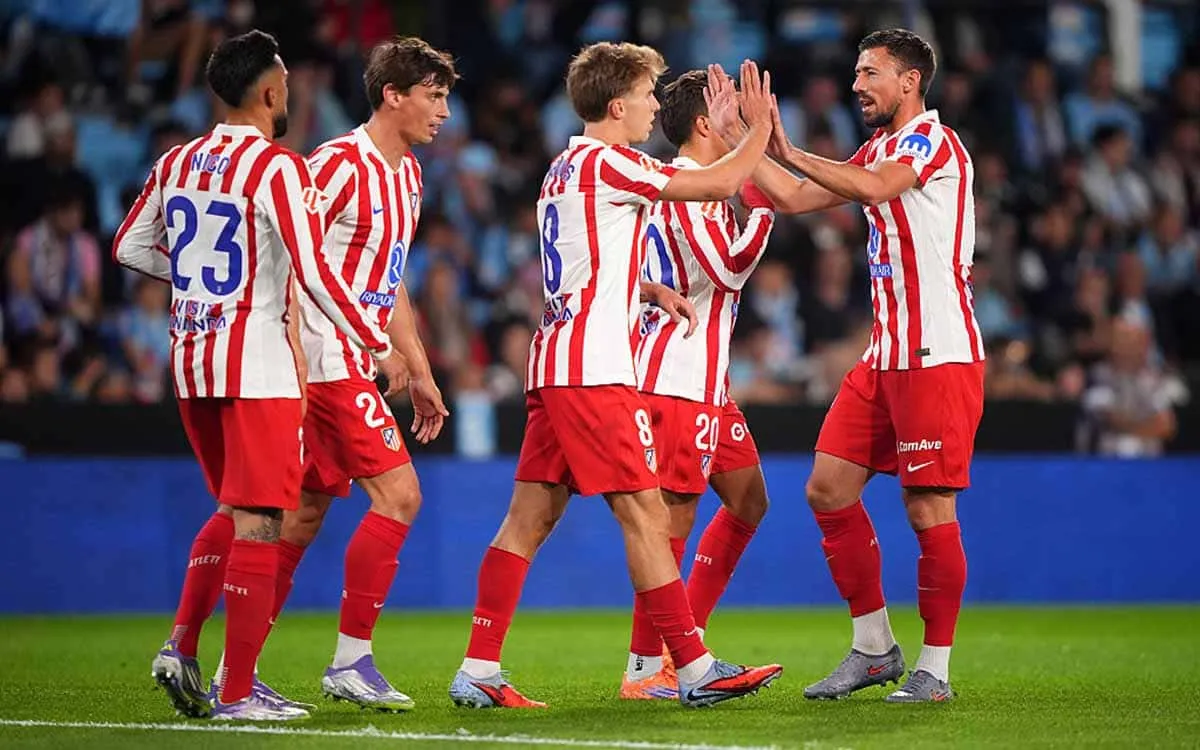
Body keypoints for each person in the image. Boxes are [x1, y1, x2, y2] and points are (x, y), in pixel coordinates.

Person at [447, 44, 783, 710]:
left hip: (555, 360)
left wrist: (649, 289)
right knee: (647, 514)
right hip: (596, 371)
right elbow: (715, 184)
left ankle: (478, 668)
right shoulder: (611, 160)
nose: (655, 107)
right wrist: (761, 132)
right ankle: (688, 668)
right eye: (647, 93)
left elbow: (587, 258)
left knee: (527, 521)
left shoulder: (564, 168)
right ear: (616, 104)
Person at [112, 29, 406, 721]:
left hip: (192, 361)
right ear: (272, 92)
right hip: (258, 364)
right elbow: (314, 271)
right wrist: (375, 342)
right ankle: (238, 691)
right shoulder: (278, 168)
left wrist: (201, 282)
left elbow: (130, 245)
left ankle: (181, 645)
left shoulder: (177, 159)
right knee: (262, 522)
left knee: (234, 509)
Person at [707, 28, 984, 703]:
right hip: (885, 354)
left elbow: (872, 187)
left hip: (935, 353)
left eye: (870, 73)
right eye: (856, 72)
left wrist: (786, 146)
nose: (857, 84)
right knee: (827, 488)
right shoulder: (879, 145)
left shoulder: (930, 143)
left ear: (910, 80)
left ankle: (935, 672)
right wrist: (739, 146)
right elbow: (795, 197)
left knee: (927, 507)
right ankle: (874, 648)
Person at [264, 36, 457, 712]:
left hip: (356, 358)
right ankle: (351, 660)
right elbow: (290, 258)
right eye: (433, 97)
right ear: (392, 95)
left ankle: (237, 664)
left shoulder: (407, 175)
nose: (444, 112)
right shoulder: (339, 163)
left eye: (446, 98)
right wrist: (293, 352)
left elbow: (390, 280)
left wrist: (420, 366)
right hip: (325, 359)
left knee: (304, 513)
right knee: (399, 496)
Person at [621, 70, 777, 700]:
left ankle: (684, 643)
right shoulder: (689, 191)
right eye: (731, 115)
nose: (740, 125)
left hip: (707, 383)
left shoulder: (701, 191)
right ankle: (647, 668)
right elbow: (730, 269)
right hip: (674, 379)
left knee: (749, 500)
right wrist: (764, 206)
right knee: (670, 520)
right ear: (706, 124)